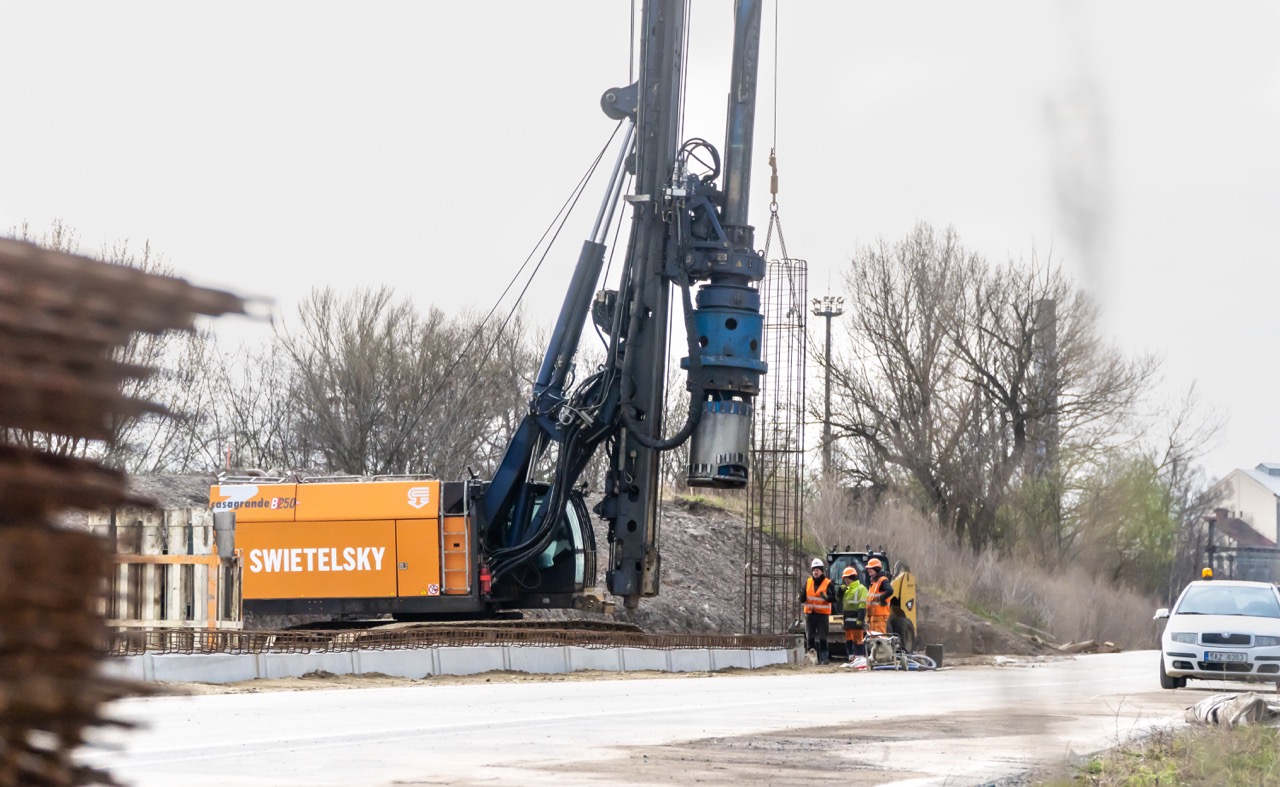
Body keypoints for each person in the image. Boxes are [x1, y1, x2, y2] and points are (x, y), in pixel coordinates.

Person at [800, 557, 833, 664]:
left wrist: (827, 597)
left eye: (817, 570)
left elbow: (834, 598)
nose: (815, 572)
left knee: (823, 638)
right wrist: (801, 597)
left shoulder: (828, 583)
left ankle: (824, 658)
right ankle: (811, 659)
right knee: (810, 638)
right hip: (810, 614)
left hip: (822, 615)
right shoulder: (808, 582)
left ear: (821, 571)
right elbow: (803, 594)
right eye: (814, 570)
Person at [840, 565, 868, 658]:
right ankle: (851, 657)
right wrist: (839, 592)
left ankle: (859, 657)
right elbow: (839, 600)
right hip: (847, 619)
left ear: (849, 578)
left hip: (856, 618)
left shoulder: (861, 588)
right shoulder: (847, 589)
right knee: (849, 639)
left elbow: (862, 604)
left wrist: (860, 619)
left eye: (845, 578)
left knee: (858, 639)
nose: (845, 580)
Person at [865, 557, 893, 638]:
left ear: (876, 569)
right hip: (873, 617)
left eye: (870, 568)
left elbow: (890, 590)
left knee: (881, 639)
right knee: (874, 640)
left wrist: (881, 598)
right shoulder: (873, 582)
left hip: (880, 616)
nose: (868, 570)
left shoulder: (882, 580)